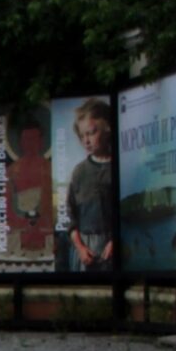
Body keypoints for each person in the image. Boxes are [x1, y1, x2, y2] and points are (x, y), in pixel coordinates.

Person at [62, 99, 118, 272]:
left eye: (91, 133)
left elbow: (128, 214)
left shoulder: (118, 167)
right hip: (84, 250)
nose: (86, 140)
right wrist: (80, 247)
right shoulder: (79, 172)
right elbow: (70, 215)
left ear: (107, 129)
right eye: (82, 136)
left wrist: (115, 241)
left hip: (111, 246)